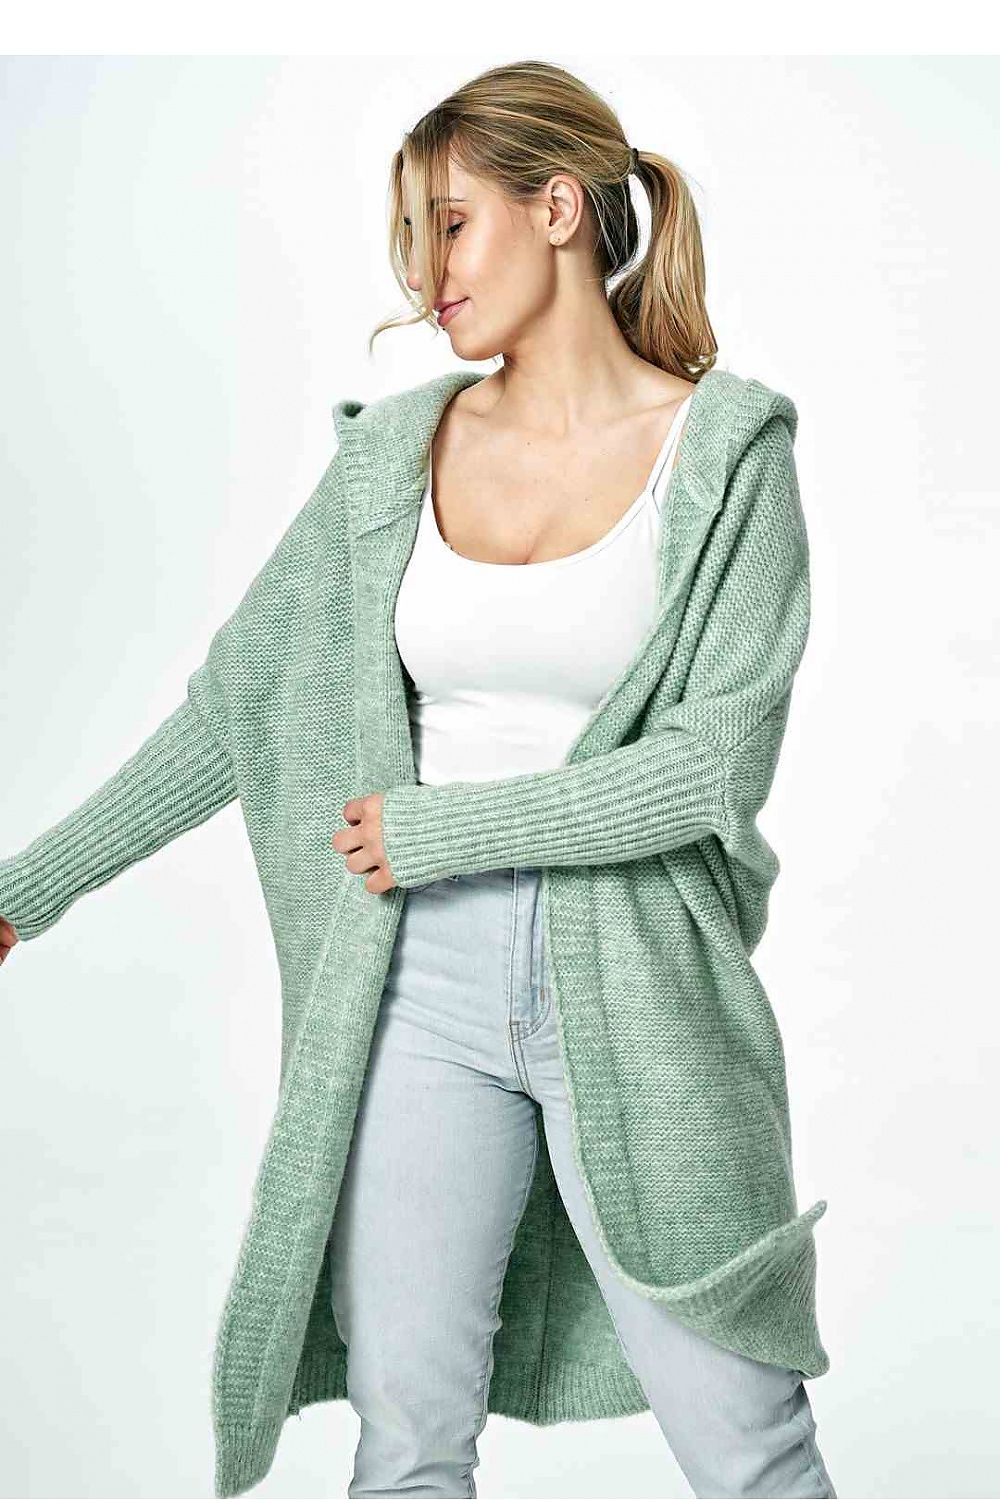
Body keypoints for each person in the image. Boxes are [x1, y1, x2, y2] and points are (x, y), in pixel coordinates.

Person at [1, 59, 836, 1500]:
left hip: (645, 984)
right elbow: (237, 710)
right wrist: (25, 893)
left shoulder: (726, 456)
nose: (423, 271)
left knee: (748, 1444)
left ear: (557, 208)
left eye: (451, 224)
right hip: (410, 987)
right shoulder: (395, 455)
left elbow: (709, 768)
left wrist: (445, 830)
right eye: (411, 236)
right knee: (405, 1448)